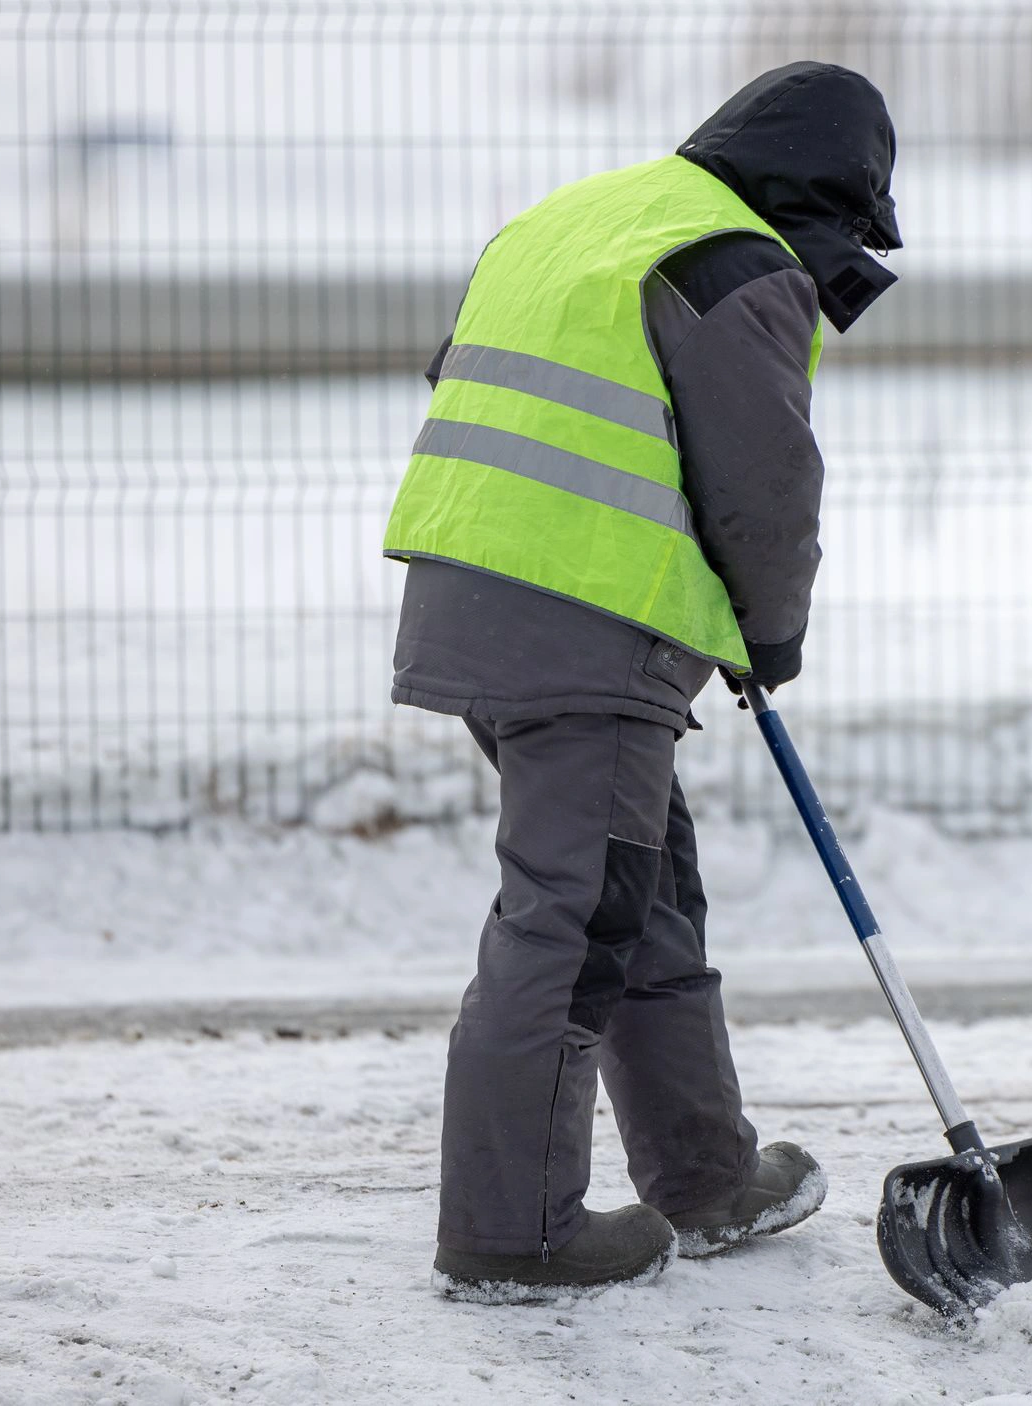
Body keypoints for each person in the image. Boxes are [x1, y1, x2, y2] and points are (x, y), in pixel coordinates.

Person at [380, 62, 901, 1303]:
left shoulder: (576, 217)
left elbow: (483, 379)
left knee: (638, 887)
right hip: (586, 621)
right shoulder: (734, 258)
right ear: (822, 194)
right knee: (572, 916)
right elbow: (764, 484)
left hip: (477, 592)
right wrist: (767, 635)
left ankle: (706, 1180)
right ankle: (515, 1232)